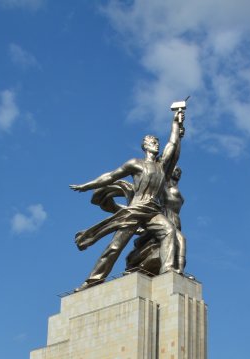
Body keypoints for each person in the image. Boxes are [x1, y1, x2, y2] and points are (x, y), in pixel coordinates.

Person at [69, 107, 185, 291]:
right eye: (152, 142)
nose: (156, 145)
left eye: (157, 142)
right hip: (136, 209)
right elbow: (110, 176)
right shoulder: (135, 163)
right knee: (115, 246)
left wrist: (176, 122)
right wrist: (87, 186)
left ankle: (167, 270)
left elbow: (173, 143)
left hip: (153, 211)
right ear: (145, 146)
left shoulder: (162, 166)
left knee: (169, 230)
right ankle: (92, 281)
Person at [126, 165, 187, 275]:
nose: (178, 172)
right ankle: (175, 269)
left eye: (180, 171)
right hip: (165, 217)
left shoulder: (176, 191)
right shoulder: (163, 187)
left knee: (177, 243)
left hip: (176, 221)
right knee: (180, 240)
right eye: (176, 170)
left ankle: (179, 271)